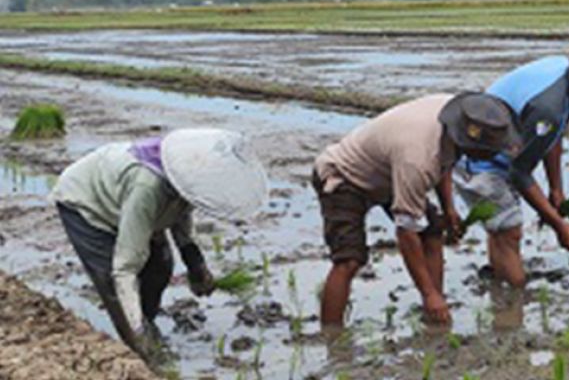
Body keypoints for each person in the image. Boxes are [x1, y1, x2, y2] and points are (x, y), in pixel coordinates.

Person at [52, 128, 268, 354]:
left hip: (128, 198)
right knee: (113, 283)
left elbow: (181, 216)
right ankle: (137, 347)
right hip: (88, 203)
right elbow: (124, 268)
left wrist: (197, 268)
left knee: (161, 265)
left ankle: (147, 319)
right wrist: (138, 333)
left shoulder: (188, 179)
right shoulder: (147, 188)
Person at [313, 92, 520, 326]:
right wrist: (427, 293)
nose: (494, 154)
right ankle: (331, 338)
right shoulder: (417, 158)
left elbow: (444, 159)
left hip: (389, 174)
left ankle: (434, 312)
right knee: (348, 260)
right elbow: (406, 232)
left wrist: (448, 208)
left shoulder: (459, 115)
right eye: (490, 150)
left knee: (432, 233)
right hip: (344, 177)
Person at [455, 44, 569, 287]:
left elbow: (553, 136)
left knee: (503, 229)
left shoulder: (563, 72)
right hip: (477, 156)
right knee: (509, 231)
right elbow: (520, 172)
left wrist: (556, 189)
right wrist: (558, 224)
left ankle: (502, 286)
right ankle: (512, 303)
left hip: (497, 143)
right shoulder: (548, 107)